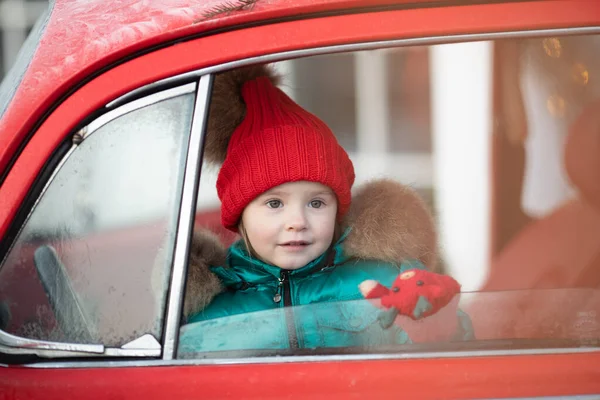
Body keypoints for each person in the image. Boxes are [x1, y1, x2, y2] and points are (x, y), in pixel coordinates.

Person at [178, 64, 472, 355]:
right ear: (240, 215)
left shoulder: (386, 284)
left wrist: (441, 326)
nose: (297, 221)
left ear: (337, 210)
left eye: (316, 203)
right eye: (275, 203)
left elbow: (453, 360)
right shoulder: (208, 314)